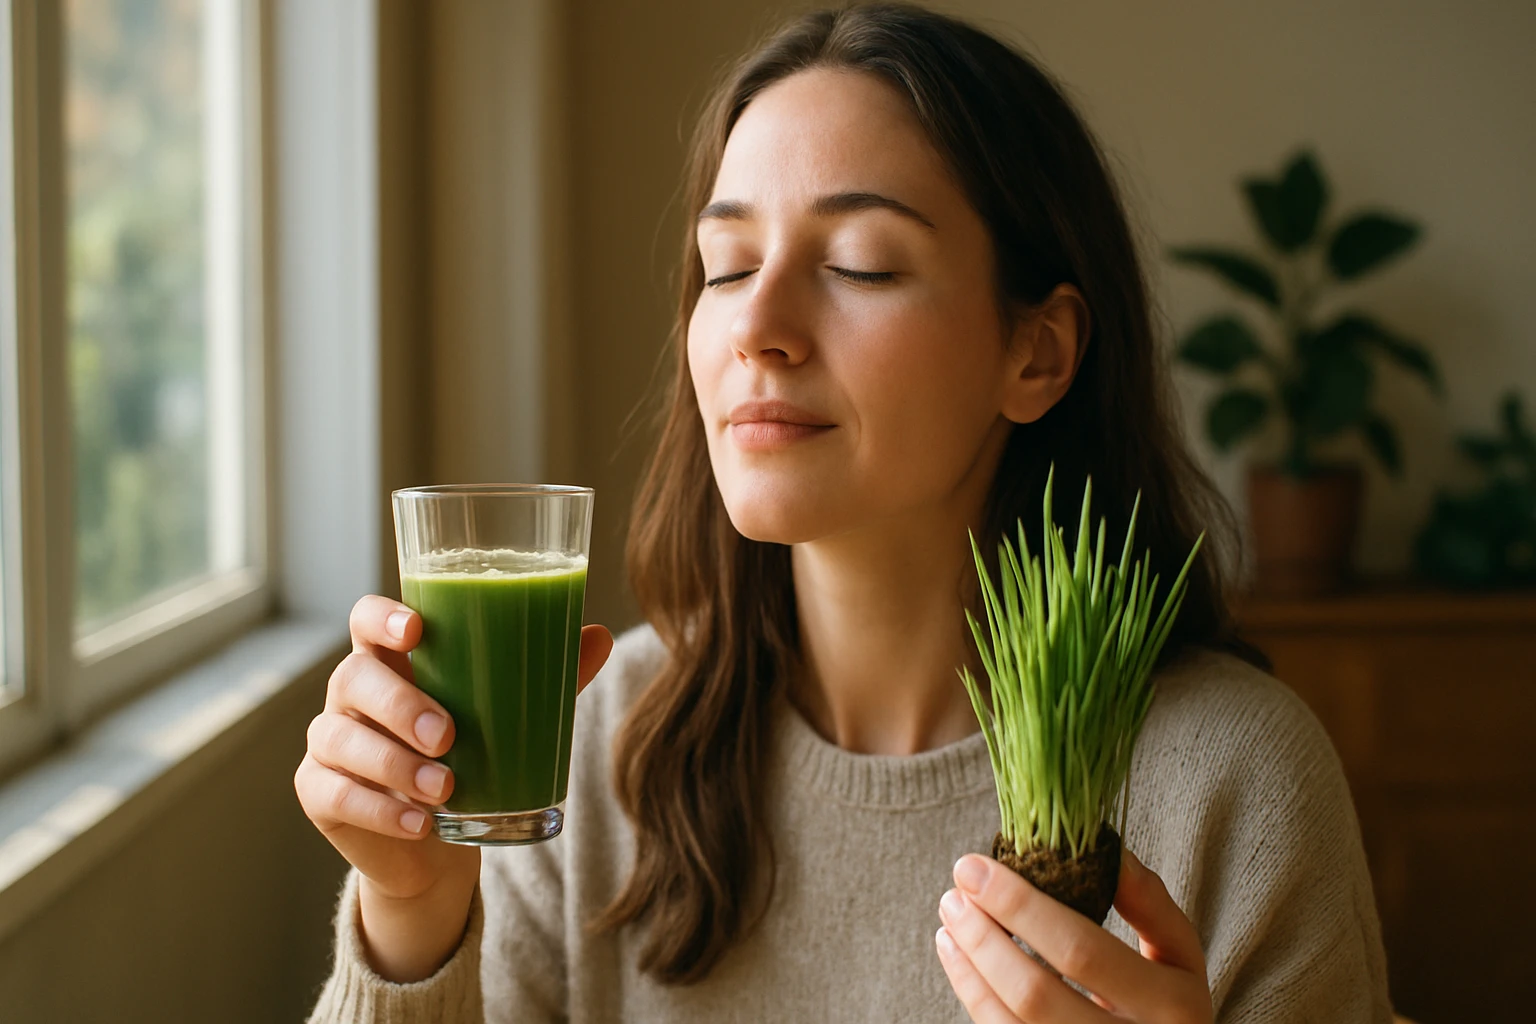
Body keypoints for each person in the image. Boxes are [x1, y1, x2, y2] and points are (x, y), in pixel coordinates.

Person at [296, 4, 1391, 1021]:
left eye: (860, 264)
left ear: (1038, 352)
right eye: (725, 267)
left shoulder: (1228, 785)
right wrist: (411, 909)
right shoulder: (592, 740)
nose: (757, 326)